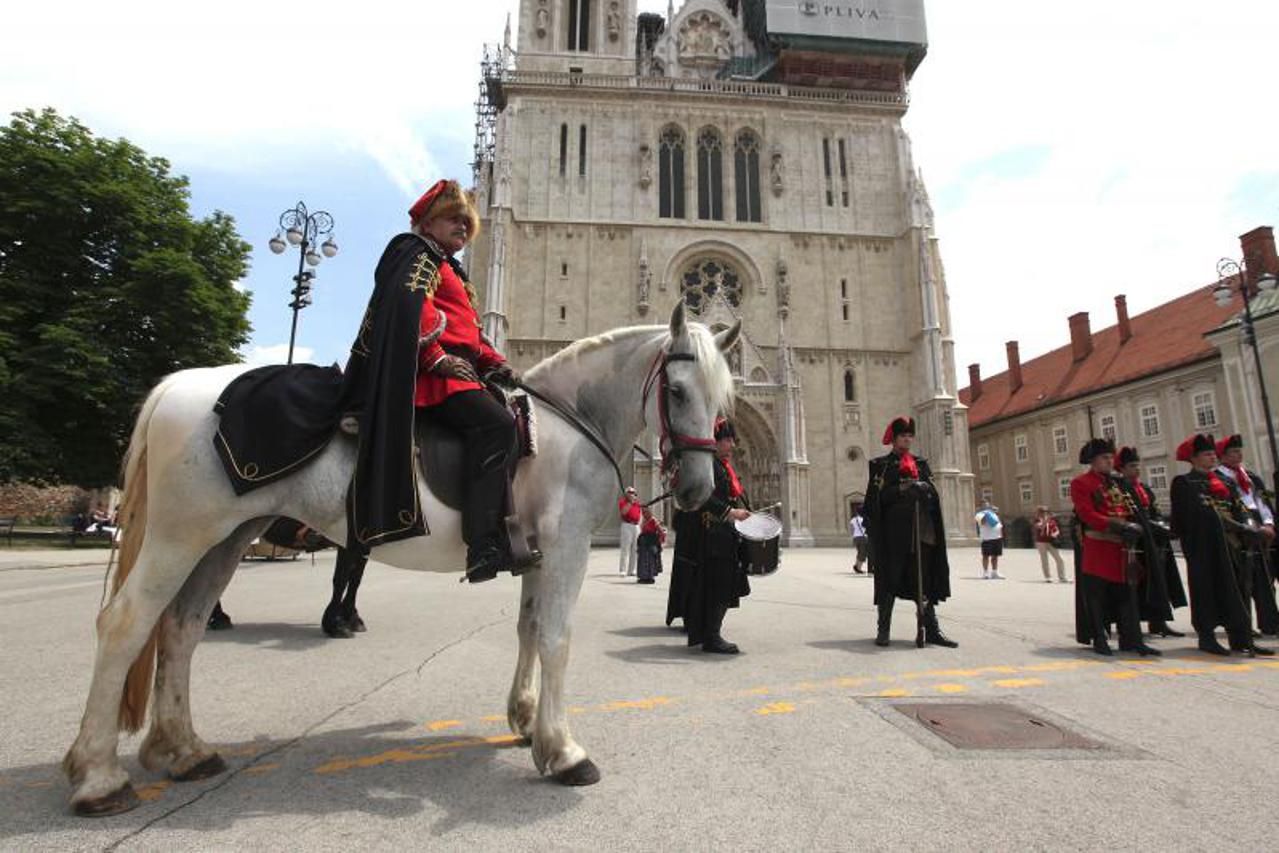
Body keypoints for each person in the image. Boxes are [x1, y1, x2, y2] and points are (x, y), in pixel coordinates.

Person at [1170, 433, 1273, 657]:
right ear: (1194, 458)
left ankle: (1241, 637)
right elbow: (1195, 516)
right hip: (1204, 549)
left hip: (1233, 546)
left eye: (1212, 454)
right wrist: (1237, 526)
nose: (1212, 457)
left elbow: (1241, 507)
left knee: (1239, 590)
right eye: (1207, 454)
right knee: (1206, 591)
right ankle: (1206, 637)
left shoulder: (1225, 482)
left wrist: (1247, 525)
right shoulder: (1184, 483)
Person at [864, 416, 957, 648]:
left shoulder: (921, 464)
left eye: (909, 436)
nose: (907, 439)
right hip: (894, 535)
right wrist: (903, 489)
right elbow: (875, 500)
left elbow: (934, 495)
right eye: (903, 436)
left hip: (921, 532)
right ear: (894, 439)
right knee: (890, 580)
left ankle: (931, 629)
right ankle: (883, 629)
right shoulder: (881, 466)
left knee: (923, 581)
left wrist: (925, 489)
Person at [665, 417, 752, 654]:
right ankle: (712, 636)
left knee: (720, 585)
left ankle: (708, 631)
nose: (732, 445)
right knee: (718, 587)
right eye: (727, 440)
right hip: (714, 536)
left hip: (722, 535)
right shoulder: (709, 465)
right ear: (715, 442)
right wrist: (730, 512)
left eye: (733, 440)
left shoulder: (722, 466)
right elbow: (702, 494)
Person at [1070, 438, 1160, 657]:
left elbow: (1131, 508)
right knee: (1097, 596)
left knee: (1127, 596)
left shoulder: (1119, 483)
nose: (1110, 461)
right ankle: (1099, 638)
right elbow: (1086, 514)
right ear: (1093, 461)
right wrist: (1115, 524)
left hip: (1122, 547)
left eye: (1111, 457)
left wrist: (1138, 525)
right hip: (1099, 545)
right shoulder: (1081, 483)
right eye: (1104, 458)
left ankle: (1131, 639)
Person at [1116, 446, 1187, 638]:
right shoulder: (1120, 489)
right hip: (1137, 543)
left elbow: (1154, 510)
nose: (1137, 469)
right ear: (1121, 469)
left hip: (1155, 541)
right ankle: (1134, 622)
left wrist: (1162, 524)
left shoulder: (1144, 488)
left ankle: (1159, 621)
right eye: (1132, 466)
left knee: (1160, 582)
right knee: (1140, 584)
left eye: (1137, 465)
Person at [1215, 434, 1279, 636]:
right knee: (1242, 581)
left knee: (1265, 578)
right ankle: (1243, 624)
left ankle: (1270, 622)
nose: (1238, 454)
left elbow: (1262, 502)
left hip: (1259, 529)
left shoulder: (1251, 477)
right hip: (1237, 531)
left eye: (1239, 451)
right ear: (1222, 456)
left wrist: (1268, 523)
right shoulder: (1218, 478)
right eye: (1233, 451)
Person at [1033, 506, 1068, 583]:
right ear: (1039, 512)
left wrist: (1055, 534)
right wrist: (1047, 520)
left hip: (1051, 541)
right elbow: (1041, 526)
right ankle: (1048, 577)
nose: (1045, 513)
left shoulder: (1052, 521)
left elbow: (1057, 530)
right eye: (1042, 511)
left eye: (1046, 511)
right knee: (1044, 560)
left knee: (1060, 559)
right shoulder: (1037, 520)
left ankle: (1062, 577)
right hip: (1041, 542)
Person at [974, 501, 1005, 579]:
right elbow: (983, 522)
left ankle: (995, 572)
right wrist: (986, 513)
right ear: (981, 507)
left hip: (997, 537)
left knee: (995, 556)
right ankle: (985, 572)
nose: (986, 507)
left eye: (987, 506)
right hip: (986, 538)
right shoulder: (979, 515)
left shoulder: (993, 513)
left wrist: (1001, 535)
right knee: (986, 556)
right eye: (984, 506)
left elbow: (998, 524)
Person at [636, 507, 666, 585]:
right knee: (643, 560)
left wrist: (661, 542)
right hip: (644, 543)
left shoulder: (653, 520)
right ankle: (643, 577)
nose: (644, 514)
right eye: (643, 512)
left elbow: (661, 531)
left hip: (651, 543)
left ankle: (650, 577)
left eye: (645, 512)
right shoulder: (644, 520)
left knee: (650, 561)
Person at [618, 487, 642, 577]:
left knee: (635, 549)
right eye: (630, 492)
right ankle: (622, 570)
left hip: (636, 526)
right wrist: (630, 503)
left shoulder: (637, 503)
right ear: (626, 494)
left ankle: (632, 570)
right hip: (627, 525)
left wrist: (640, 526)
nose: (632, 494)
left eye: (634, 492)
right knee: (625, 548)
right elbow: (623, 512)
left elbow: (640, 515)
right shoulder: (623, 502)